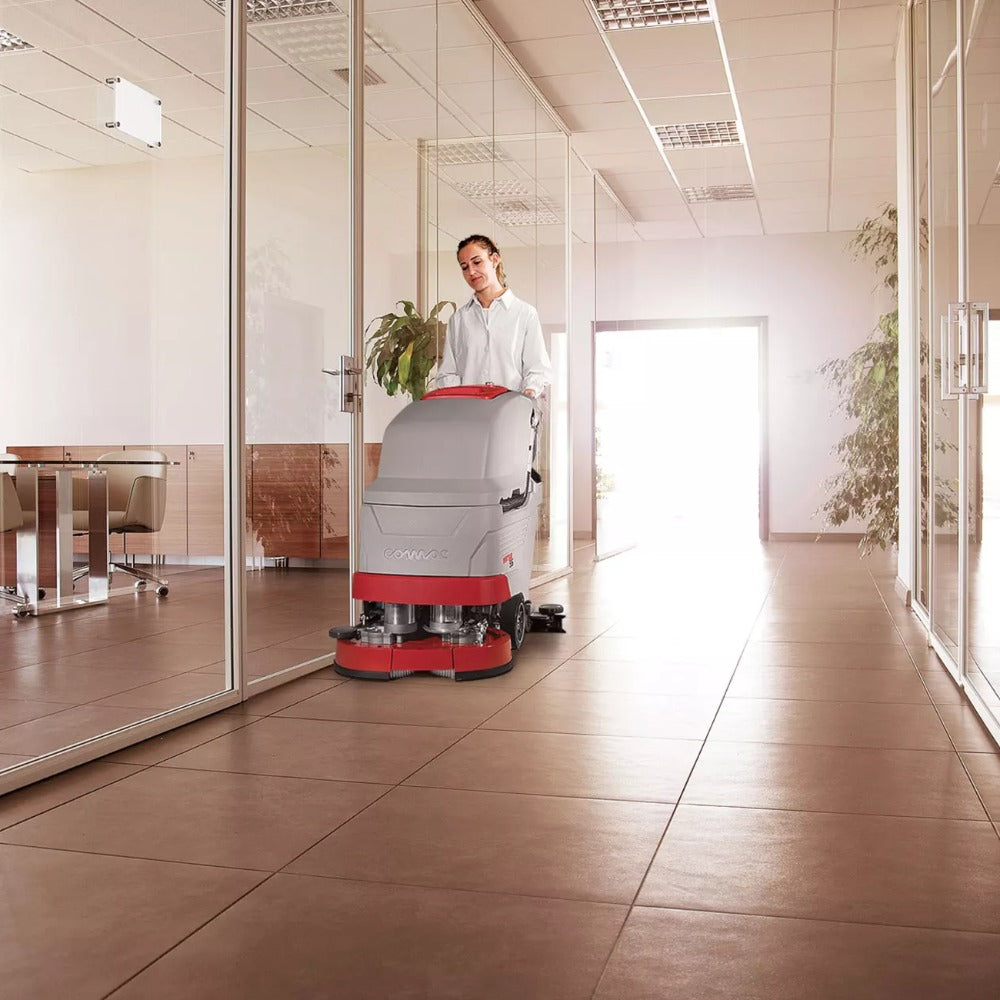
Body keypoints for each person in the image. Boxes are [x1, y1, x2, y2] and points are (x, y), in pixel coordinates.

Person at [435, 234, 552, 399]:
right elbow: (447, 372)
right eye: (464, 267)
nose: (471, 271)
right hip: (468, 414)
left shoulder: (524, 314)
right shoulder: (459, 319)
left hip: (509, 413)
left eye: (477, 262)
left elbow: (538, 369)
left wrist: (529, 392)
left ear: (495, 260)